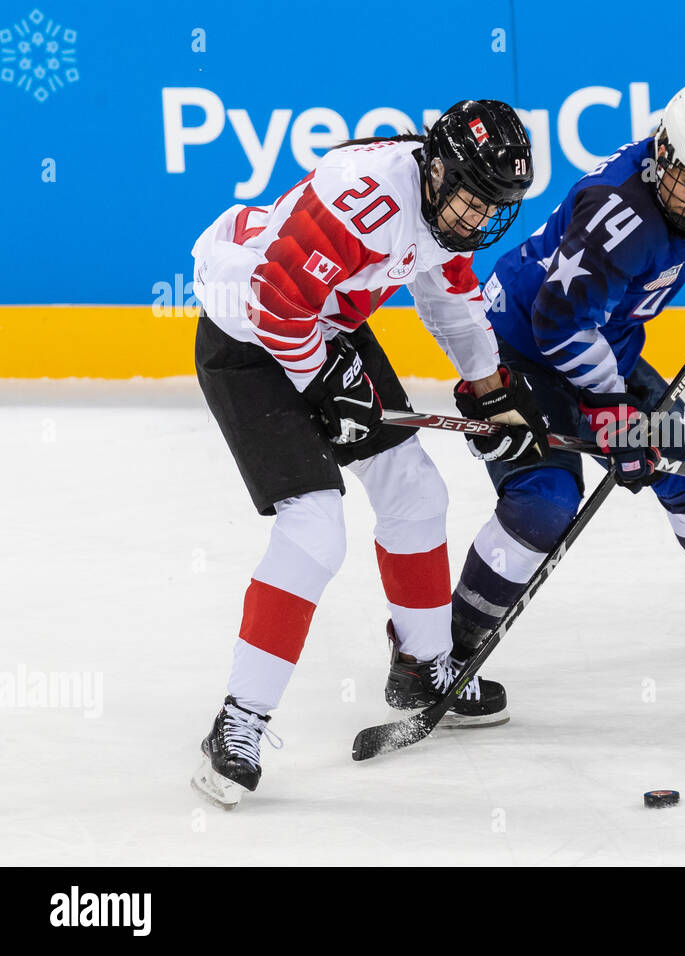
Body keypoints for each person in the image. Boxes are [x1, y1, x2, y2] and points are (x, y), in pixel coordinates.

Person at [188, 100, 547, 808]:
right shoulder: (367, 197)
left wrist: (491, 391)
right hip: (248, 337)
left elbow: (449, 299)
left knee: (417, 492)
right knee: (315, 526)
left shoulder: (448, 201)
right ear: (438, 170)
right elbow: (272, 300)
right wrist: (325, 384)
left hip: (322, 322)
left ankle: (424, 666)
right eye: (473, 200)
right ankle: (239, 722)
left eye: (492, 207)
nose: (478, 220)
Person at [448, 82, 685, 664]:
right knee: (544, 501)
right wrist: (612, 410)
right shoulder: (620, 214)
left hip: (611, 344)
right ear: (662, 152)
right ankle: (441, 654)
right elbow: (559, 323)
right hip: (517, 352)